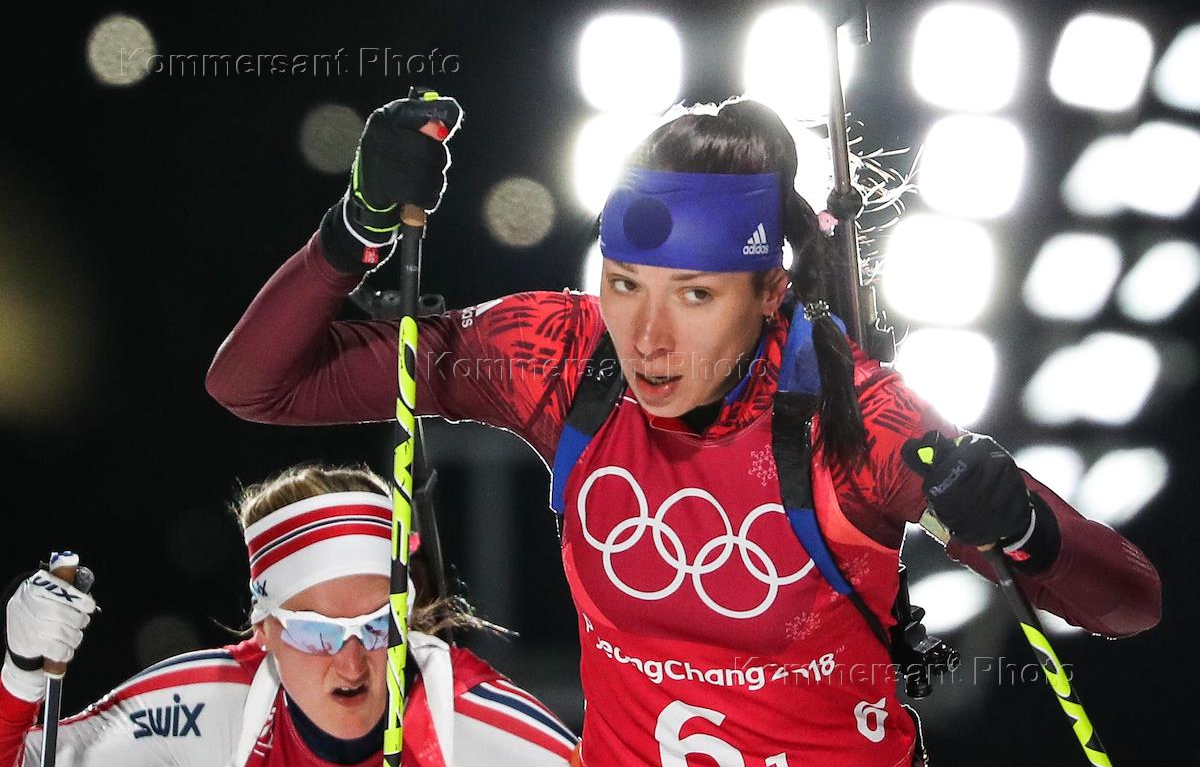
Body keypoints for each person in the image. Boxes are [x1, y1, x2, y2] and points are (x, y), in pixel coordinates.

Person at [205, 95, 1162, 766]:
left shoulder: (860, 419)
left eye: (695, 296)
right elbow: (256, 386)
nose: (649, 338)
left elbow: (1132, 604)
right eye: (626, 285)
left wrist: (1025, 528)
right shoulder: (562, 359)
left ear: (770, 291)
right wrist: (357, 229)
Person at [0, 465, 578, 766]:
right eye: (318, 633)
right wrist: (21, 676)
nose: (352, 663)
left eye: (377, 626)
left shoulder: (470, 723)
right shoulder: (207, 708)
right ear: (266, 630)